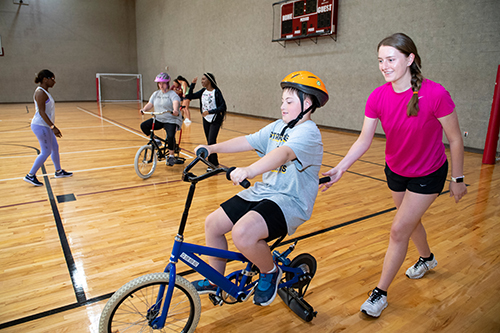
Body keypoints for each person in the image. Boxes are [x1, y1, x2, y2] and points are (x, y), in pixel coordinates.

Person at [320, 33, 468, 318]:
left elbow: (455, 140)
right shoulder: (377, 96)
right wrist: (341, 167)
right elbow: (364, 139)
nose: (384, 66)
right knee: (410, 224)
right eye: (380, 60)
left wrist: (458, 179)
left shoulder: (435, 94)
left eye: (391, 59)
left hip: (429, 173)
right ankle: (427, 258)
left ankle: (381, 292)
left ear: (410, 59)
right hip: (396, 171)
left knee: (398, 229)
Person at [192, 71, 328, 306]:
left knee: (243, 234)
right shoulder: (278, 127)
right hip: (265, 192)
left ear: (307, 104)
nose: (282, 105)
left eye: (289, 101)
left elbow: (283, 153)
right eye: (282, 100)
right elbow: (248, 140)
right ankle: (215, 279)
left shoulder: (308, 133)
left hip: (290, 200)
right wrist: (211, 148)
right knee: (213, 224)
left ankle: (270, 271)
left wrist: (250, 170)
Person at [24, 70, 73, 186]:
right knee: (46, 151)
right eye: (52, 78)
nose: (54, 81)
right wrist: (53, 127)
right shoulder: (40, 92)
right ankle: (30, 175)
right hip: (41, 125)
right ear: (45, 79)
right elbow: (42, 112)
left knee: (55, 147)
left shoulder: (45, 91)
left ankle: (58, 171)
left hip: (45, 125)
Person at [140, 72, 182, 166]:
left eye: (163, 83)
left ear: (167, 83)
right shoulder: (156, 94)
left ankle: (171, 156)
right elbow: (150, 104)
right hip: (159, 119)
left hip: (171, 119)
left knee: (170, 136)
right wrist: (144, 109)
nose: (161, 85)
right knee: (144, 126)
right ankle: (156, 141)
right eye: (159, 84)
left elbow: (175, 102)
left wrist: (175, 110)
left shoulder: (172, 94)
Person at [185, 73, 226, 167]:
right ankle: (214, 162)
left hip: (215, 119)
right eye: (201, 79)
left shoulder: (216, 92)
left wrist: (210, 112)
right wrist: (192, 85)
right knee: (209, 141)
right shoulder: (203, 91)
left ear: (210, 81)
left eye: (204, 79)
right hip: (206, 119)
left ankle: (212, 164)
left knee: (211, 140)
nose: (202, 81)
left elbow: (223, 107)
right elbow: (189, 96)